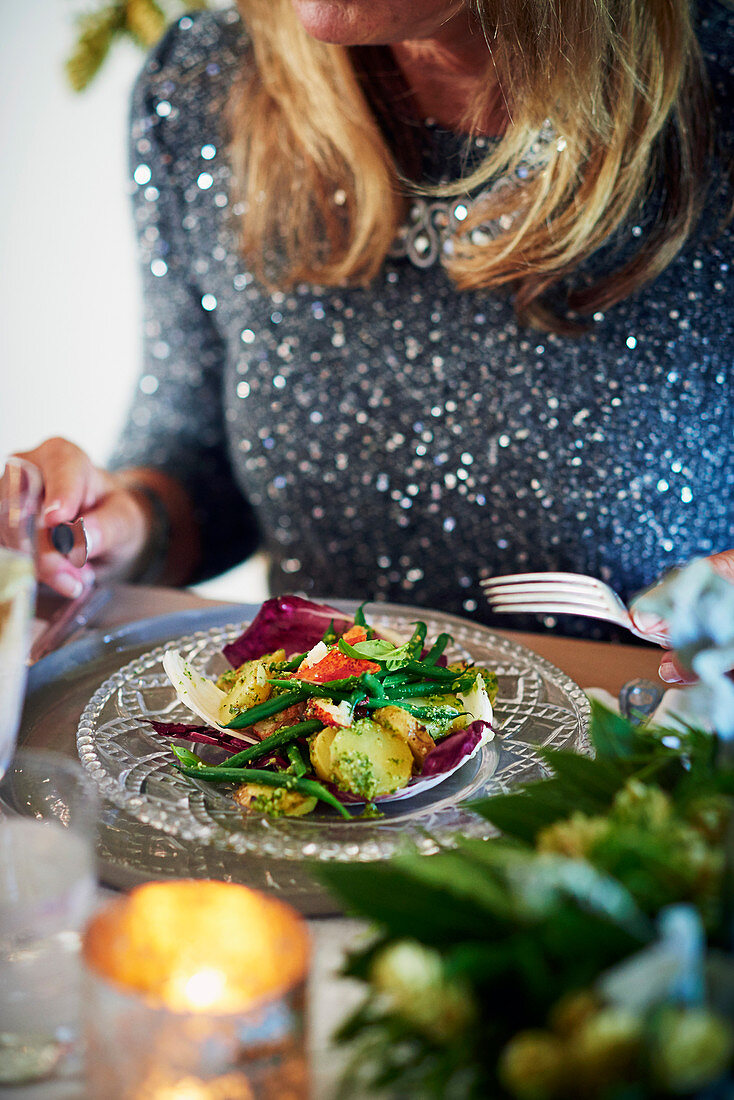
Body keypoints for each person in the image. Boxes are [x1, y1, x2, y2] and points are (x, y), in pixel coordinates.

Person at [14, 0, 734, 684]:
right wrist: (117, 527)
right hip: (320, 796)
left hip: (626, 779)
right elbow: (197, 456)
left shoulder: (717, 82)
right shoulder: (206, 80)